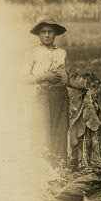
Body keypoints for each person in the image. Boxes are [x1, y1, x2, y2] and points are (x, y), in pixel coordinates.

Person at [24, 16, 70, 164]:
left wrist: (80, 87)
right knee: (42, 133)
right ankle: (41, 168)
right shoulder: (33, 53)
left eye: (50, 31)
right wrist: (45, 77)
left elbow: (64, 77)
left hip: (61, 97)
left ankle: (59, 168)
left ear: (55, 33)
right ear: (39, 34)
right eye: (44, 31)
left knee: (60, 132)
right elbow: (24, 78)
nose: (47, 35)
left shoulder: (61, 53)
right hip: (41, 96)